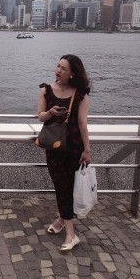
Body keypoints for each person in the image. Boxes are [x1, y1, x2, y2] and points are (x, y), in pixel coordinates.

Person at [37, 54, 91, 252]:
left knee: (68, 187)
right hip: (55, 147)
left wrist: (87, 149)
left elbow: (83, 123)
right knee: (61, 186)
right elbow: (40, 116)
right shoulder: (46, 90)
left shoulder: (81, 94)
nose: (58, 70)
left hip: (74, 147)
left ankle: (68, 230)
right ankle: (67, 228)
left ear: (72, 73)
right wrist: (51, 112)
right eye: (57, 66)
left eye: (63, 68)